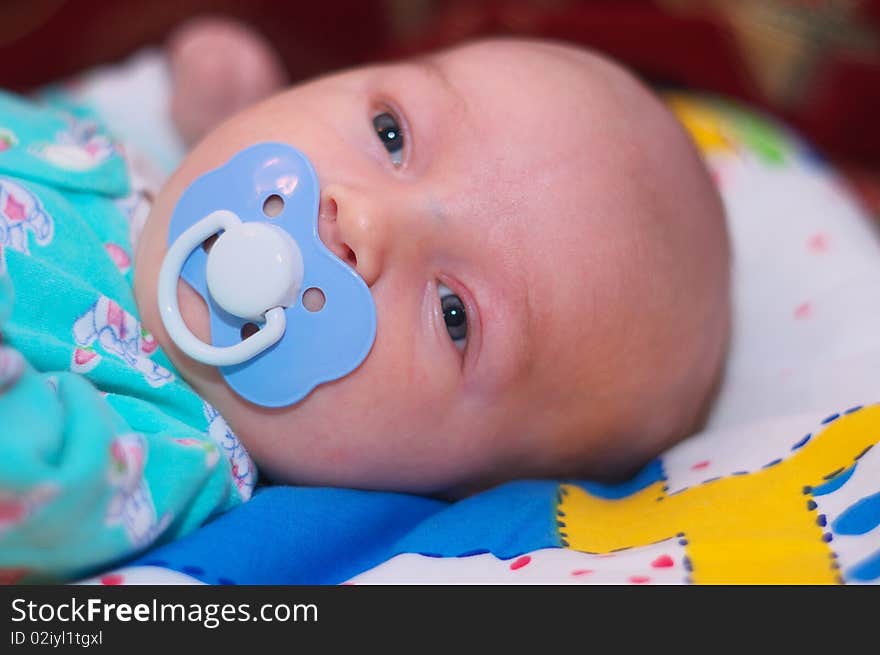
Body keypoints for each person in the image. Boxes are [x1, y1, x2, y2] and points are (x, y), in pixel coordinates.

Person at [0, 23, 730, 582]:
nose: (366, 220)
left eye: (454, 314)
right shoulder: (141, 168)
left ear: (450, 485)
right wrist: (195, 112)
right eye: (390, 133)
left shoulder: (154, 456)